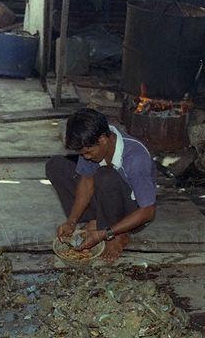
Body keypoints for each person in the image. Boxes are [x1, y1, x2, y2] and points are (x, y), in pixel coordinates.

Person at [46, 108, 157, 262]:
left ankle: (117, 234)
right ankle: (95, 221)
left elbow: (148, 211)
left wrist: (105, 234)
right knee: (55, 166)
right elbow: (86, 181)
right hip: (105, 196)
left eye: (88, 152)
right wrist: (71, 221)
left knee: (105, 176)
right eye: (82, 153)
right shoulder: (93, 144)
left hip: (133, 212)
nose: (85, 157)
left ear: (103, 140)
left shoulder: (135, 157)